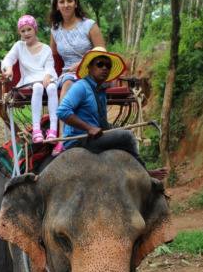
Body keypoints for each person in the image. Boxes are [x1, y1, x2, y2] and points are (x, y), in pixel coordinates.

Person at [56, 47, 168, 181]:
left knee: (124, 131)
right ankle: (144, 172)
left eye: (107, 66)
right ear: (90, 67)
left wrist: (111, 127)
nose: (104, 68)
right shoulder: (80, 87)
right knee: (125, 137)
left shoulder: (100, 91)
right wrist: (89, 128)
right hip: (78, 140)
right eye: (99, 64)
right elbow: (62, 111)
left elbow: (98, 121)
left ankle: (133, 169)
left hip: (92, 136)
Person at [49, 0, 106, 155]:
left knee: (68, 83)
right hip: (67, 72)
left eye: (69, 1)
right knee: (65, 80)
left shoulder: (89, 25)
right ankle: (61, 135)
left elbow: (102, 50)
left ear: (75, 3)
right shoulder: (55, 30)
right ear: (57, 6)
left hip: (91, 69)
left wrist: (82, 63)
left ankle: (63, 137)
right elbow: (52, 57)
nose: (66, 5)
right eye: (62, 2)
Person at [1, 15, 58, 144]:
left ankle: (53, 129)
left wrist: (47, 76)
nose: (26, 33)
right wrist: (9, 69)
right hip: (30, 79)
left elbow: (49, 66)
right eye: (23, 31)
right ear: (20, 33)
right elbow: (8, 59)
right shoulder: (19, 46)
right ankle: (36, 129)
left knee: (52, 87)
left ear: (35, 29)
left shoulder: (46, 49)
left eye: (29, 29)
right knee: (37, 86)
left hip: (45, 77)